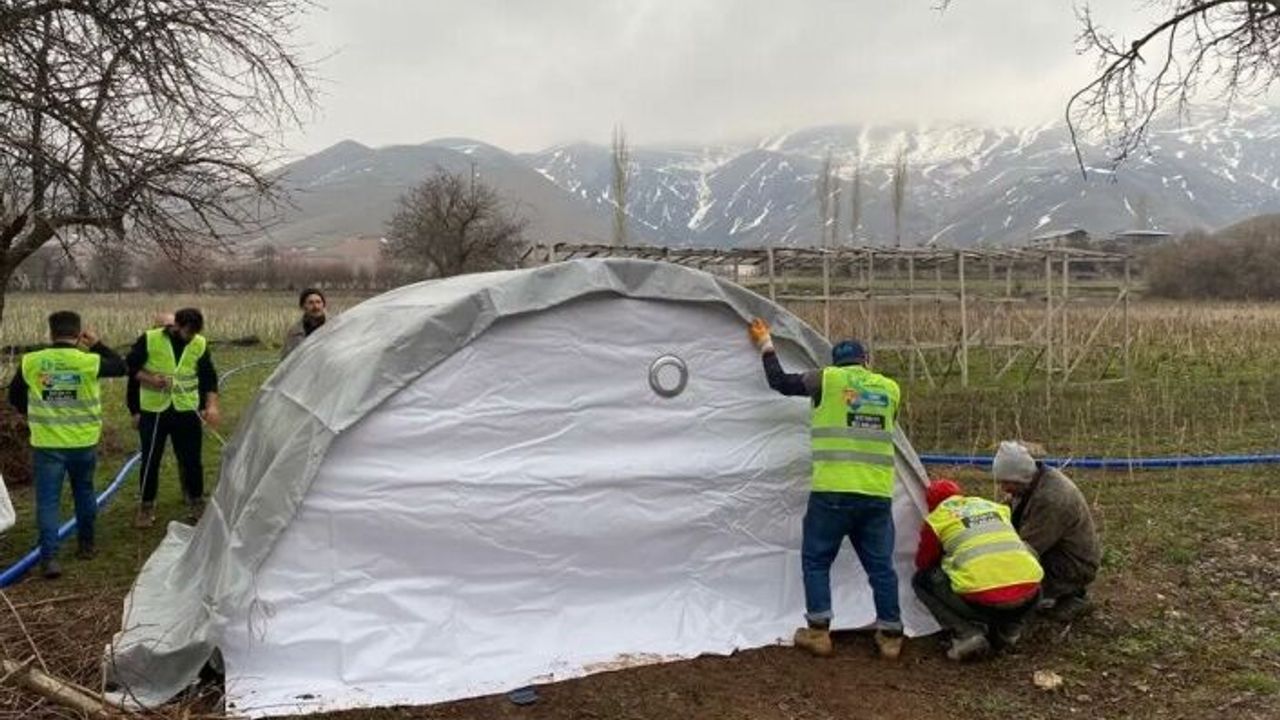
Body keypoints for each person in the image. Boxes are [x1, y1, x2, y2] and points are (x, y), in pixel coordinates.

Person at [748, 317, 904, 659]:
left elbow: (780, 382)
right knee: (881, 566)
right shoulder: (890, 389)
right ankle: (891, 634)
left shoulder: (827, 380)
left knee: (816, 560)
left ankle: (818, 631)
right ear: (866, 361)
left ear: (836, 363)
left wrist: (766, 344)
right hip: (876, 494)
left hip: (833, 492)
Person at [6, 311, 128, 578]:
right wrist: (96, 344)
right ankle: (86, 545)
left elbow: (14, 396)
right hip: (83, 442)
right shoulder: (87, 361)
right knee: (84, 492)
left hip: (47, 443)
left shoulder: (32, 361)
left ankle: (49, 558)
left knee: (48, 501)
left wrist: (36, 413)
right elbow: (120, 366)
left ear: (50, 333)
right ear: (78, 333)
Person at [913, 479, 1043, 661]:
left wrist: (947, 556)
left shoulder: (937, 519)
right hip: (1029, 597)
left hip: (984, 604)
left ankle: (967, 634)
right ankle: (1009, 631)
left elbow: (923, 562)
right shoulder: (993, 506)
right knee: (1025, 552)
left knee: (922, 579)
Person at [127, 307, 221, 527]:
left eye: (194, 333)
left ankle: (196, 502)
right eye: (187, 332)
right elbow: (130, 367)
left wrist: (212, 405)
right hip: (154, 410)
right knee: (151, 459)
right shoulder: (150, 339)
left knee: (192, 460)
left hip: (187, 411)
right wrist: (150, 380)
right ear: (176, 326)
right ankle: (146, 506)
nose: (191, 338)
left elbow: (209, 376)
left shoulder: (199, 343)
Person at [993, 440, 1101, 621]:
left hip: (1072, 565)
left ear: (1020, 478)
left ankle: (1072, 595)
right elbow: (1007, 512)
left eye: (1006, 482)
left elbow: (1027, 550)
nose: (1003, 488)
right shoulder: (1029, 482)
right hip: (1056, 550)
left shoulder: (1051, 499)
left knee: (1014, 594)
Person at [127, 312, 175, 430]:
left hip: (180, 411)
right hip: (151, 411)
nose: (168, 331)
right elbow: (133, 382)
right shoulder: (146, 345)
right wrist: (135, 412)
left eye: (172, 326)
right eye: (164, 327)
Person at [281, 287, 328, 359]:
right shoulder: (295, 332)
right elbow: (287, 360)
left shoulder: (334, 327)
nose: (316, 306)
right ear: (303, 306)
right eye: (311, 303)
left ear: (323, 305)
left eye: (318, 302)